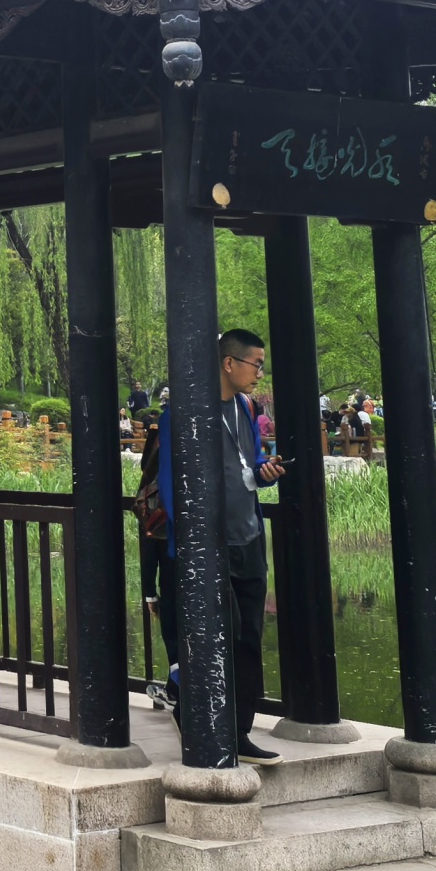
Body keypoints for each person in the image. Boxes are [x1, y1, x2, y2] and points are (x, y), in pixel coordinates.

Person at [152, 327, 286, 763]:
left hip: (247, 537)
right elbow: (171, 485)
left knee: (248, 637)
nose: (259, 373)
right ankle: (198, 717)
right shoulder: (185, 413)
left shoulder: (246, 407)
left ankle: (239, 731)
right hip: (205, 546)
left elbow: (253, 458)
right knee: (216, 635)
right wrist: (193, 539)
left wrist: (266, 468)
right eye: (255, 364)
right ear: (230, 363)